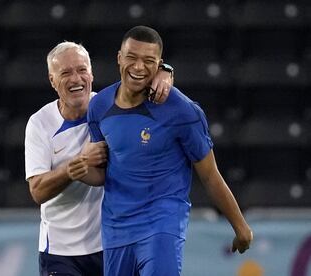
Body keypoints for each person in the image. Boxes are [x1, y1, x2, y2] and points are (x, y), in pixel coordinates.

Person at [78, 25, 253, 276]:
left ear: (160, 63)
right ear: (119, 58)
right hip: (116, 227)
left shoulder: (183, 111)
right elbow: (105, 170)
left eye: (149, 61)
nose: (139, 67)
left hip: (162, 222)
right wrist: (76, 170)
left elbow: (209, 174)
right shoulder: (99, 106)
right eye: (132, 58)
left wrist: (240, 227)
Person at [24, 41, 174, 276]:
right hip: (60, 253)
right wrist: (75, 166)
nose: (76, 79)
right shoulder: (40, 124)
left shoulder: (109, 105)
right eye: (65, 73)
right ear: (52, 81)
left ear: (91, 74)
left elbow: (141, 78)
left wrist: (166, 70)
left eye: (82, 70)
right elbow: (37, 191)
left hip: (112, 245)